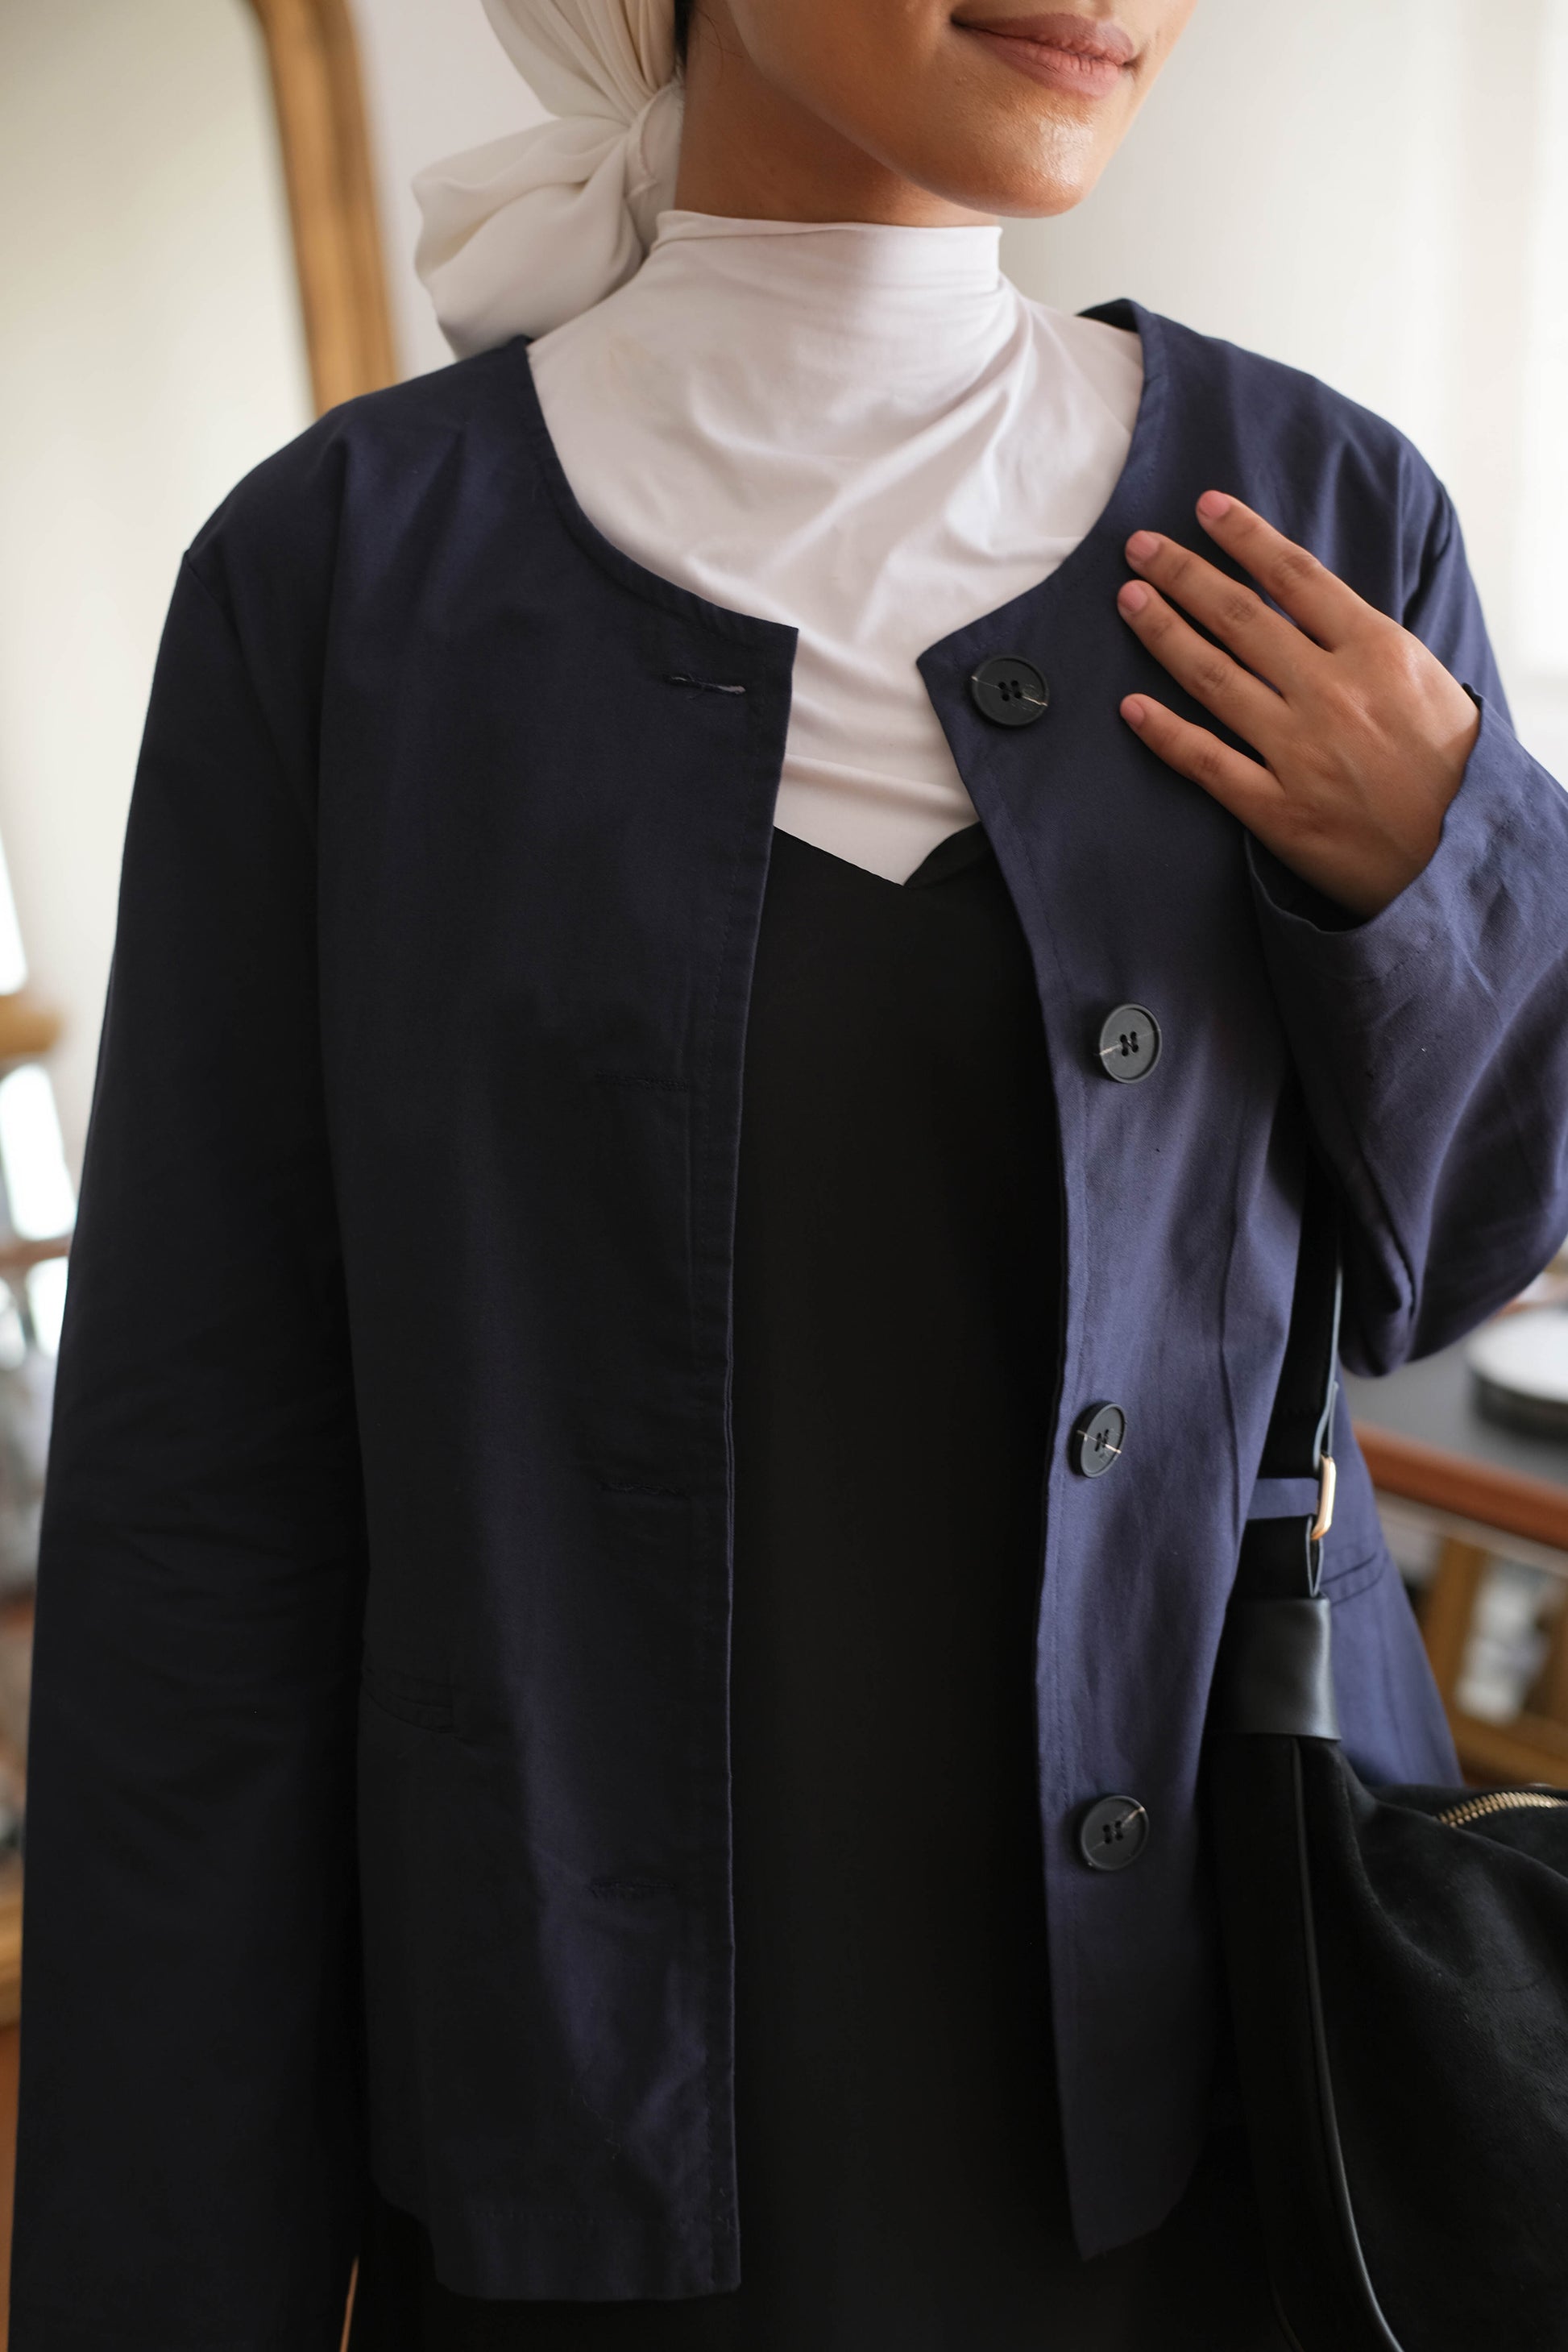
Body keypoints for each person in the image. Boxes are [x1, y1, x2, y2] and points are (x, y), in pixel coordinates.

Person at [11, 0, 1568, 2346]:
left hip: (1230, 2105)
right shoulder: (341, 585)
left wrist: (1449, 867)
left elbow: (1465, 1247)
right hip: (584, 2136)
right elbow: (201, 1533)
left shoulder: (1321, 516)